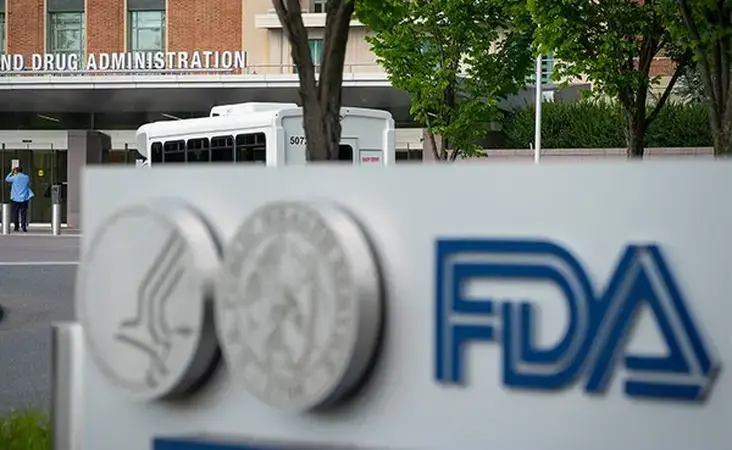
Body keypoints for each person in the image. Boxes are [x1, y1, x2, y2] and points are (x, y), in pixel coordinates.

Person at [5, 166, 34, 233]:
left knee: (16, 213)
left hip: (15, 198)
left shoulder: (14, 177)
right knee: (24, 213)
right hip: (24, 198)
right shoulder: (26, 177)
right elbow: (27, 184)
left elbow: (7, 179)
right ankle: (23, 226)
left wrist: (11, 172)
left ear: (16, 171)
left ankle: (16, 227)